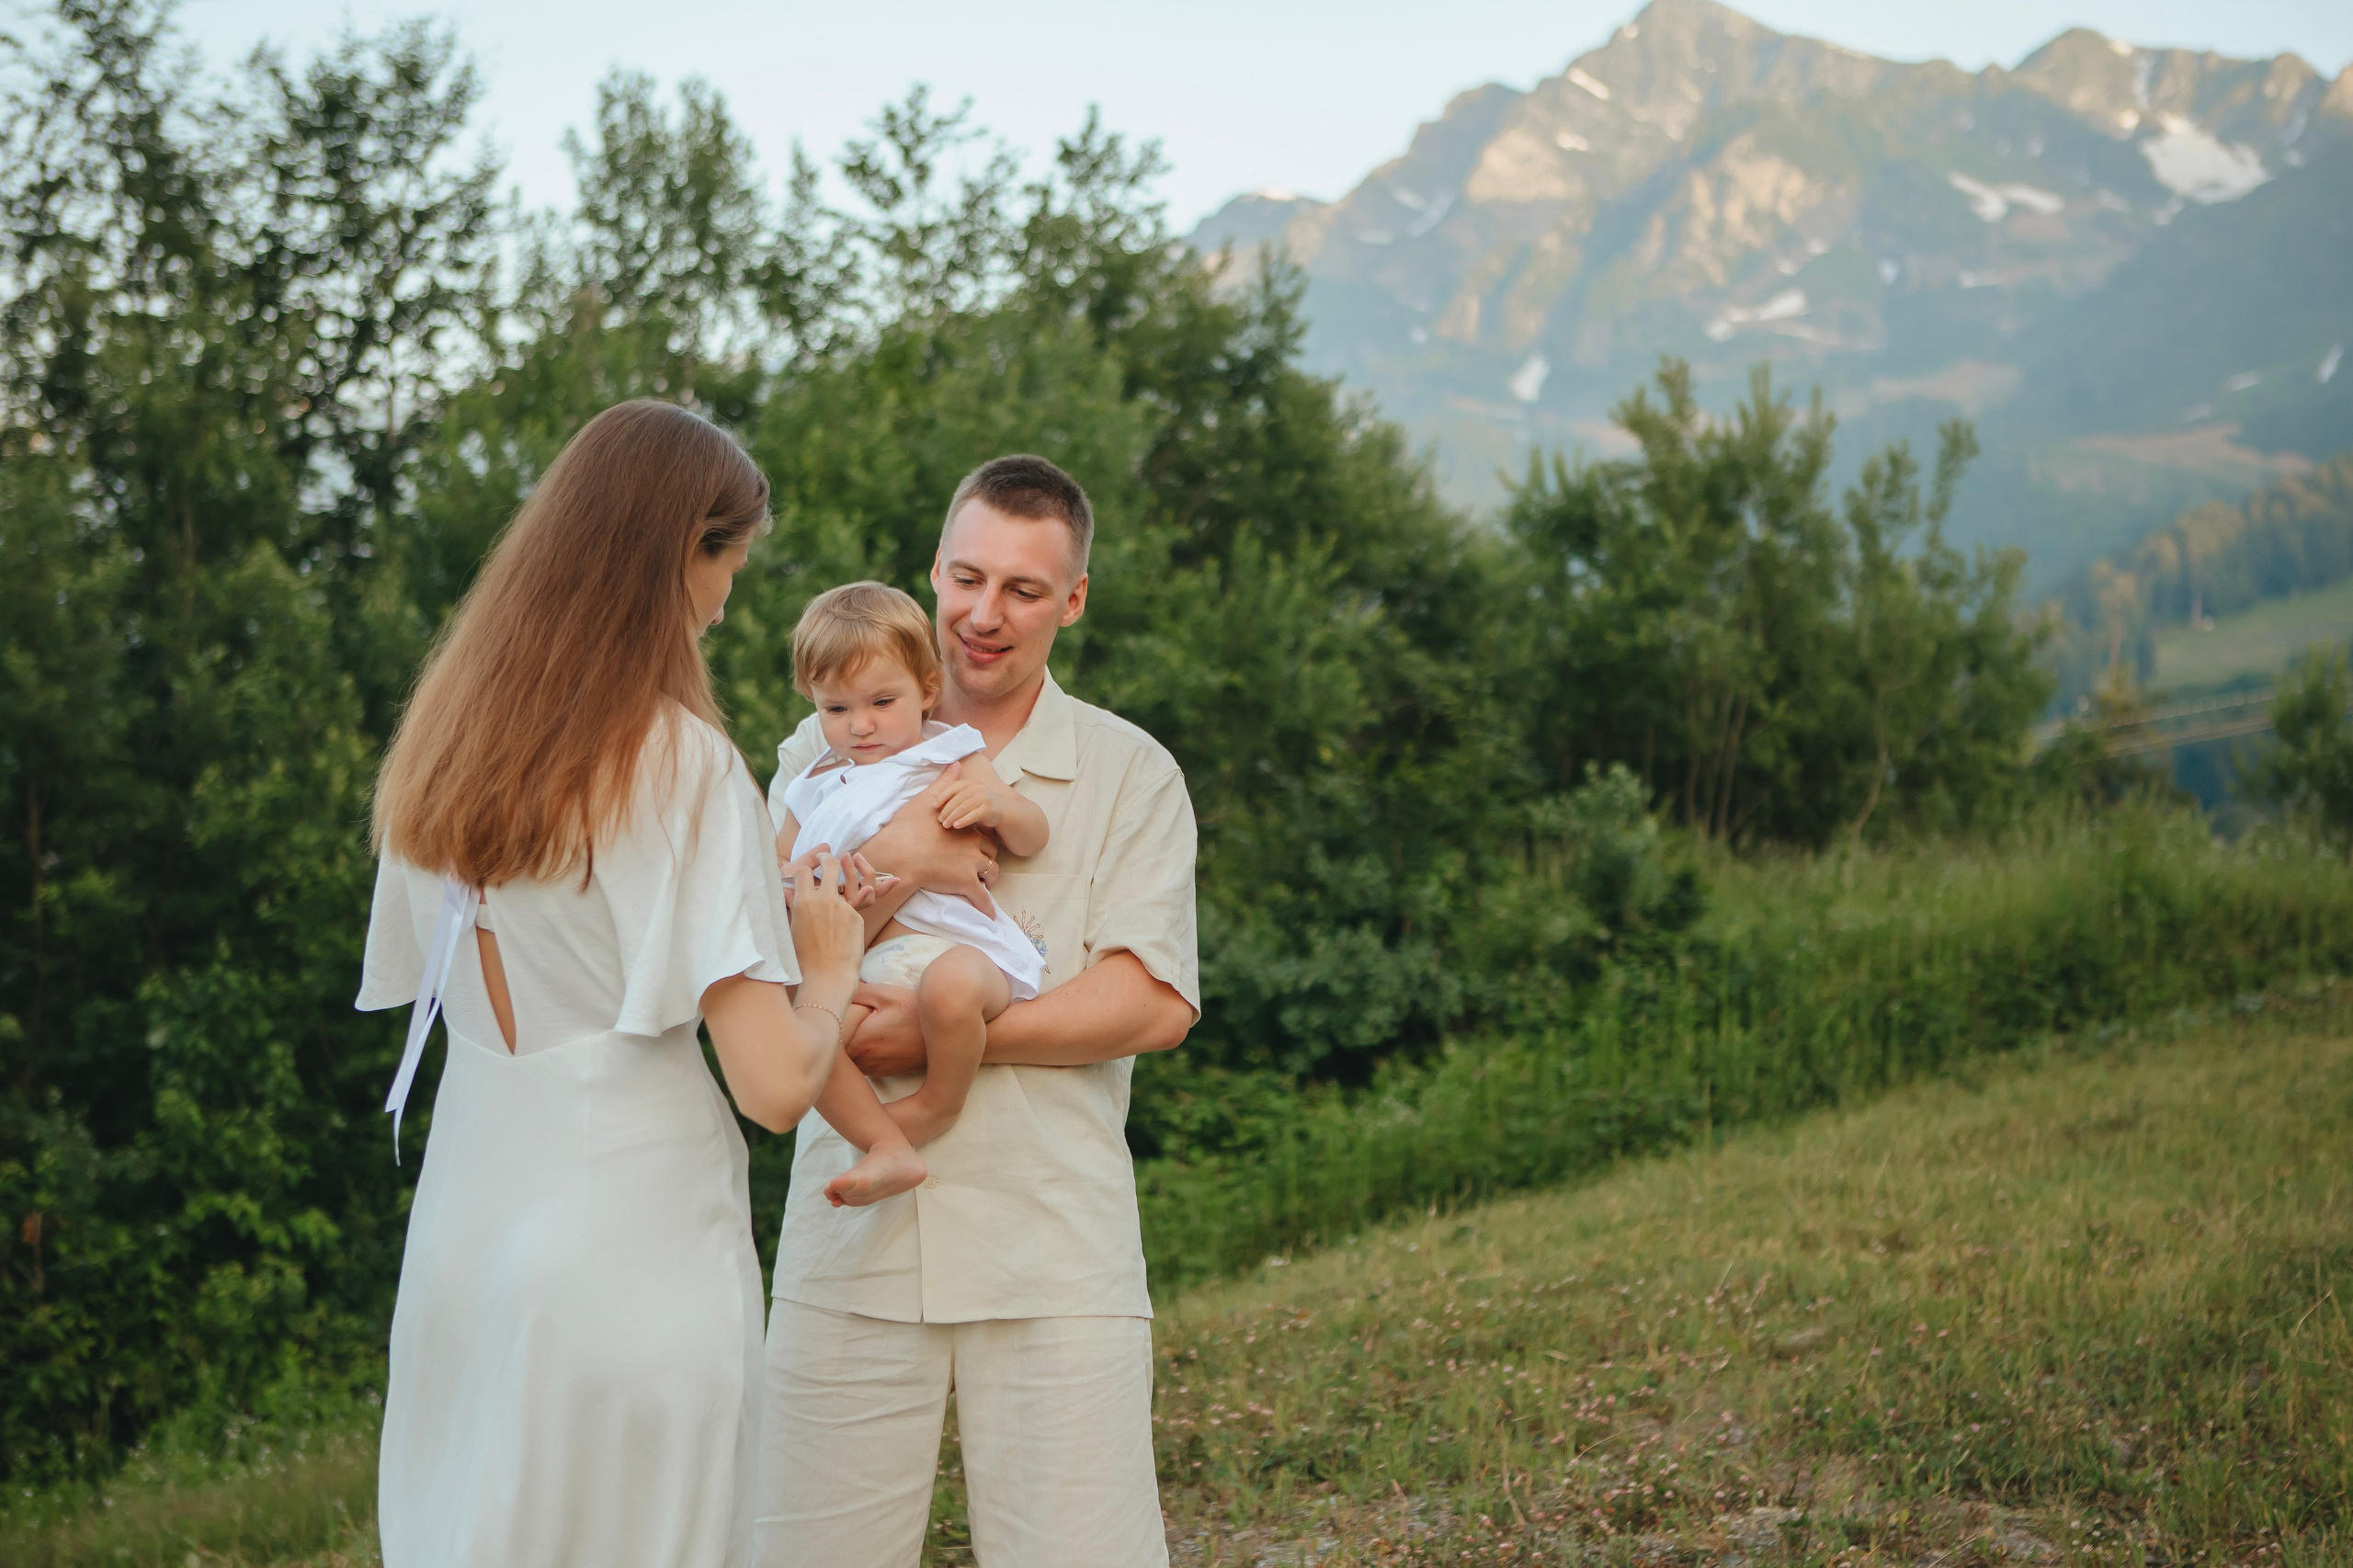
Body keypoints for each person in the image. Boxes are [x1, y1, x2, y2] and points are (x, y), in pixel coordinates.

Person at [357, 400, 869, 1568]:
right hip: (633, 1253)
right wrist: (828, 964)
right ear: (682, 549)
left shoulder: (442, 744)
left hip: (464, 1243)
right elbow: (774, 1086)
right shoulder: (678, 761)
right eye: (729, 561)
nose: (729, 595)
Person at [756, 455, 1199, 1568]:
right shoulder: (818, 746)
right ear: (933, 573)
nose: (983, 615)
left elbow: (1149, 999)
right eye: (965, 578)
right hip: (848, 1238)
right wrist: (905, 859)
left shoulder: (1126, 770)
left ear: (1075, 600)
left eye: (1023, 590)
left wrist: (944, 1034)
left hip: (1053, 1243)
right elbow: (767, 964)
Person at [774, 582, 1051, 1209]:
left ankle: (934, 1107)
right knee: (803, 1036)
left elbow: (1033, 833)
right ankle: (881, 1141)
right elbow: (775, 878)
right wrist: (796, 875)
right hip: (864, 969)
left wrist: (997, 804)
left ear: (926, 691)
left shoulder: (944, 753)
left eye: (881, 701)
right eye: (836, 709)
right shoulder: (812, 784)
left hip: (958, 950)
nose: (861, 725)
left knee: (949, 990)